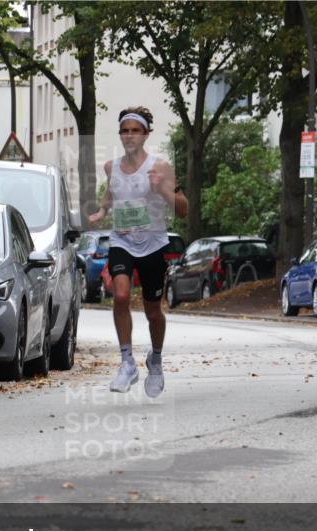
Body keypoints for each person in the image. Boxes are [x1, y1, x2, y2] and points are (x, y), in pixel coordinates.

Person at [88, 107, 188, 397]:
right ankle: (127, 362)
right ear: (120, 134)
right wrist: (102, 210)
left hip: (153, 245)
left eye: (135, 130)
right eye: (125, 130)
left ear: (145, 134)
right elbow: (111, 192)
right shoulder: (111, 167)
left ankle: (155, 360)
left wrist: (163, 190)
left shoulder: (161, 168)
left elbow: (183, 209)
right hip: (121, 241)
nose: (129, 135)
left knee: (153, 312)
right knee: (120, 296)